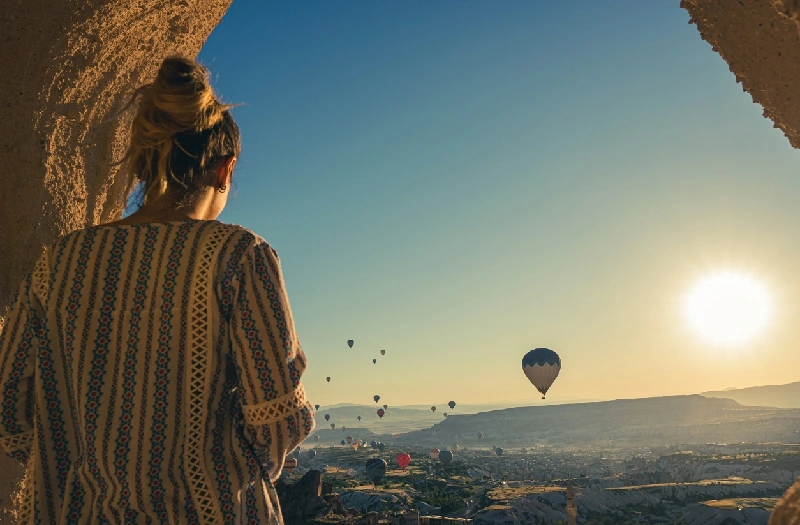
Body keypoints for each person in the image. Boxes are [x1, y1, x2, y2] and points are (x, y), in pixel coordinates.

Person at [0, 55, 314, 524]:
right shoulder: (237, 254)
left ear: (146, 163)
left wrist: (72, 466)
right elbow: (277, 416)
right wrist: (224, 471)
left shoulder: (59, 261)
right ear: (225, 169)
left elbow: (10, 403)